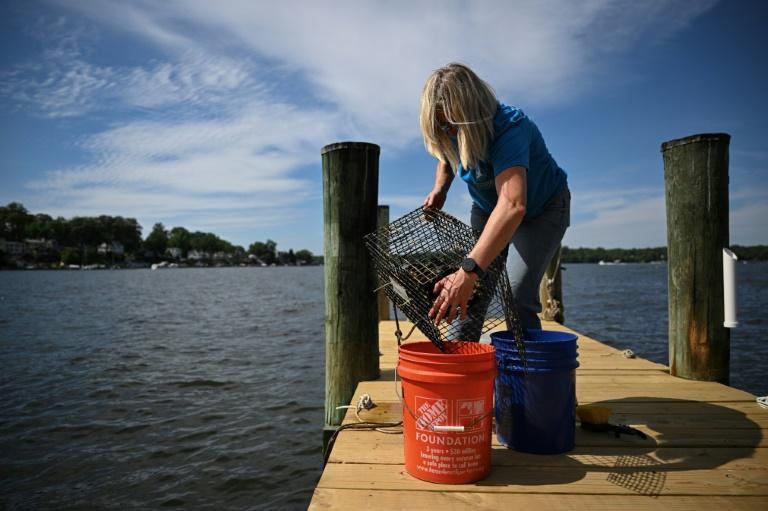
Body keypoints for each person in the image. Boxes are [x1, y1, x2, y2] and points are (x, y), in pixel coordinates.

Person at [420, 62, 570, 334]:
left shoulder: (509, 128)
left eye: (451, 126)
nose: (448, 133)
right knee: (470, 294)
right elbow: (446, 157)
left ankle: (522, 375)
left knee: (515, 298)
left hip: (542, 210)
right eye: (441, 127)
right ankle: (462, 366)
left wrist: (467, 270)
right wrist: (439, 189)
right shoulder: (449, 127)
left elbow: (513, 205)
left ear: (472, 114)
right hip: (488, 208)